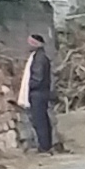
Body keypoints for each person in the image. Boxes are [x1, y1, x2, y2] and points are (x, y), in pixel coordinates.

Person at [19, 28, 60, 159]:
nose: (28, 45)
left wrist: (29, 87)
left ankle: (44, 146)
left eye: (30, 42)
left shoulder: (39, 59)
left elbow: (38, 78)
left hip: (38, 93)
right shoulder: (38, 57)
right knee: (42, 120)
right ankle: (46, 145)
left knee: (40, 121)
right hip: (40, 93)